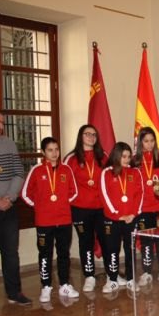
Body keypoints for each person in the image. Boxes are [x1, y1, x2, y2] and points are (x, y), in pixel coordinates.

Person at [22, 137, 79, 303]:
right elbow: (25, 193)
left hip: (64, 220)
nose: (54, 153)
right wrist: (39, 206)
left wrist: (61, 204)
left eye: (56, 149)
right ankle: (46, 286)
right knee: (45, 254)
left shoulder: (66, 170)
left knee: (63, 253)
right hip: (44, 221)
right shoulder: (36, 171)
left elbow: (74, 192)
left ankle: (65, 284)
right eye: (50, 150)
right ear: (43, 152)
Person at [63, 124, 108, 293]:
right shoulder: (72, 158)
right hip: (80, 208)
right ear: (80, 136)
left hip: (102, 208)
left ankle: (112, 274)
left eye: (94, 135)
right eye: (87, 134)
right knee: (86, 241)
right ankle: (89, 275)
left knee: (107, 241)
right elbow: (64, 184)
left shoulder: (103, 156)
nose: (91, 137)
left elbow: (112, 178)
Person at [100, 142, 144, 294]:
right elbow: (104, 196)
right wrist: (117, 215)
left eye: (128, 156)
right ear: (116, 156)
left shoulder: (135, 173)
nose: (126, 160)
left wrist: (133, 214)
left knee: (130, 249)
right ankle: (112, 279)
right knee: (112, 249)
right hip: (113, 219)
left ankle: (131, 279)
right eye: (123, 156)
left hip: (131, 219)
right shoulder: (106, 172)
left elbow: (140, 195)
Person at [0, 112, 31, 305]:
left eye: (2, 122)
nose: (0, 126)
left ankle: (14, 293)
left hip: (8, 208)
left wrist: (9, 198)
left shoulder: (9, 143)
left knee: (10, 252)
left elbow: (19, 173)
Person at [131, 127, 159, 286]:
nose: (149, 144)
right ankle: (146, 272)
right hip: (142, 208)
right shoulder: (134, 161)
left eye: (152, 141)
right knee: (146, 240)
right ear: (140, 142)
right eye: (146, 141)